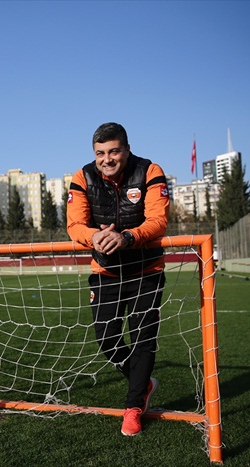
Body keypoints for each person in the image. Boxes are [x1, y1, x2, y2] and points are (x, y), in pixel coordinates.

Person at [67, 122, 170, 436]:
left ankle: (133, 406)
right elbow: (74, 226)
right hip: (106, 272)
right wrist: (94, 237)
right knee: (108, 341)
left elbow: (159, 221)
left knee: (143, 340)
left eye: (113, 151)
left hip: (146, 271)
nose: (106, 159)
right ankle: (144, 384)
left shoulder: (150, 171)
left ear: (126, 149)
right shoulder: (82, 176)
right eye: (100, 153)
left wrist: (128, 237)